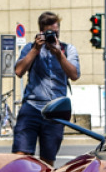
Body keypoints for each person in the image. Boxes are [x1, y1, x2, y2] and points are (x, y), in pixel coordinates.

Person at [13, 11, 80, 164]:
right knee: (20, 157)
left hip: (55, 110)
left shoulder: (68, 50)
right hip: (31, 107)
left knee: (47, 161)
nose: (53, 36)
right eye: (49, 33)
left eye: (55, 32)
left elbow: (74, 74)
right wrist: (35, 50)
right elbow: (18, 71)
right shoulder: (31, 48)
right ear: (41, 32)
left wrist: (59, 54)